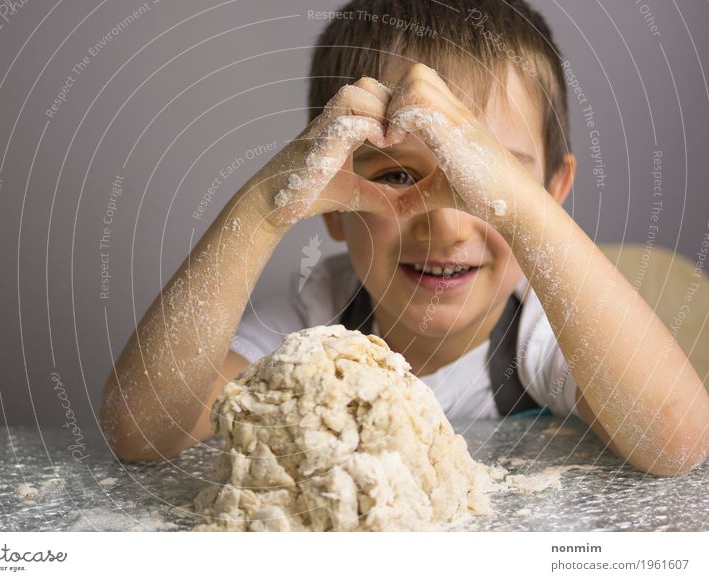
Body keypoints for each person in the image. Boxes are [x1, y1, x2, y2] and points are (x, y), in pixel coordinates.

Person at [99, 0, 709, 475]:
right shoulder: (314, 331)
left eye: (483, 181)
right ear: (331, 201)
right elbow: (140, 431)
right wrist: (261, 210)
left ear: (549, 194)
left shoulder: (544, 336)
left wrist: (527, 215)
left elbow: (677, 439)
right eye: (396, 175)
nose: (444, 225)